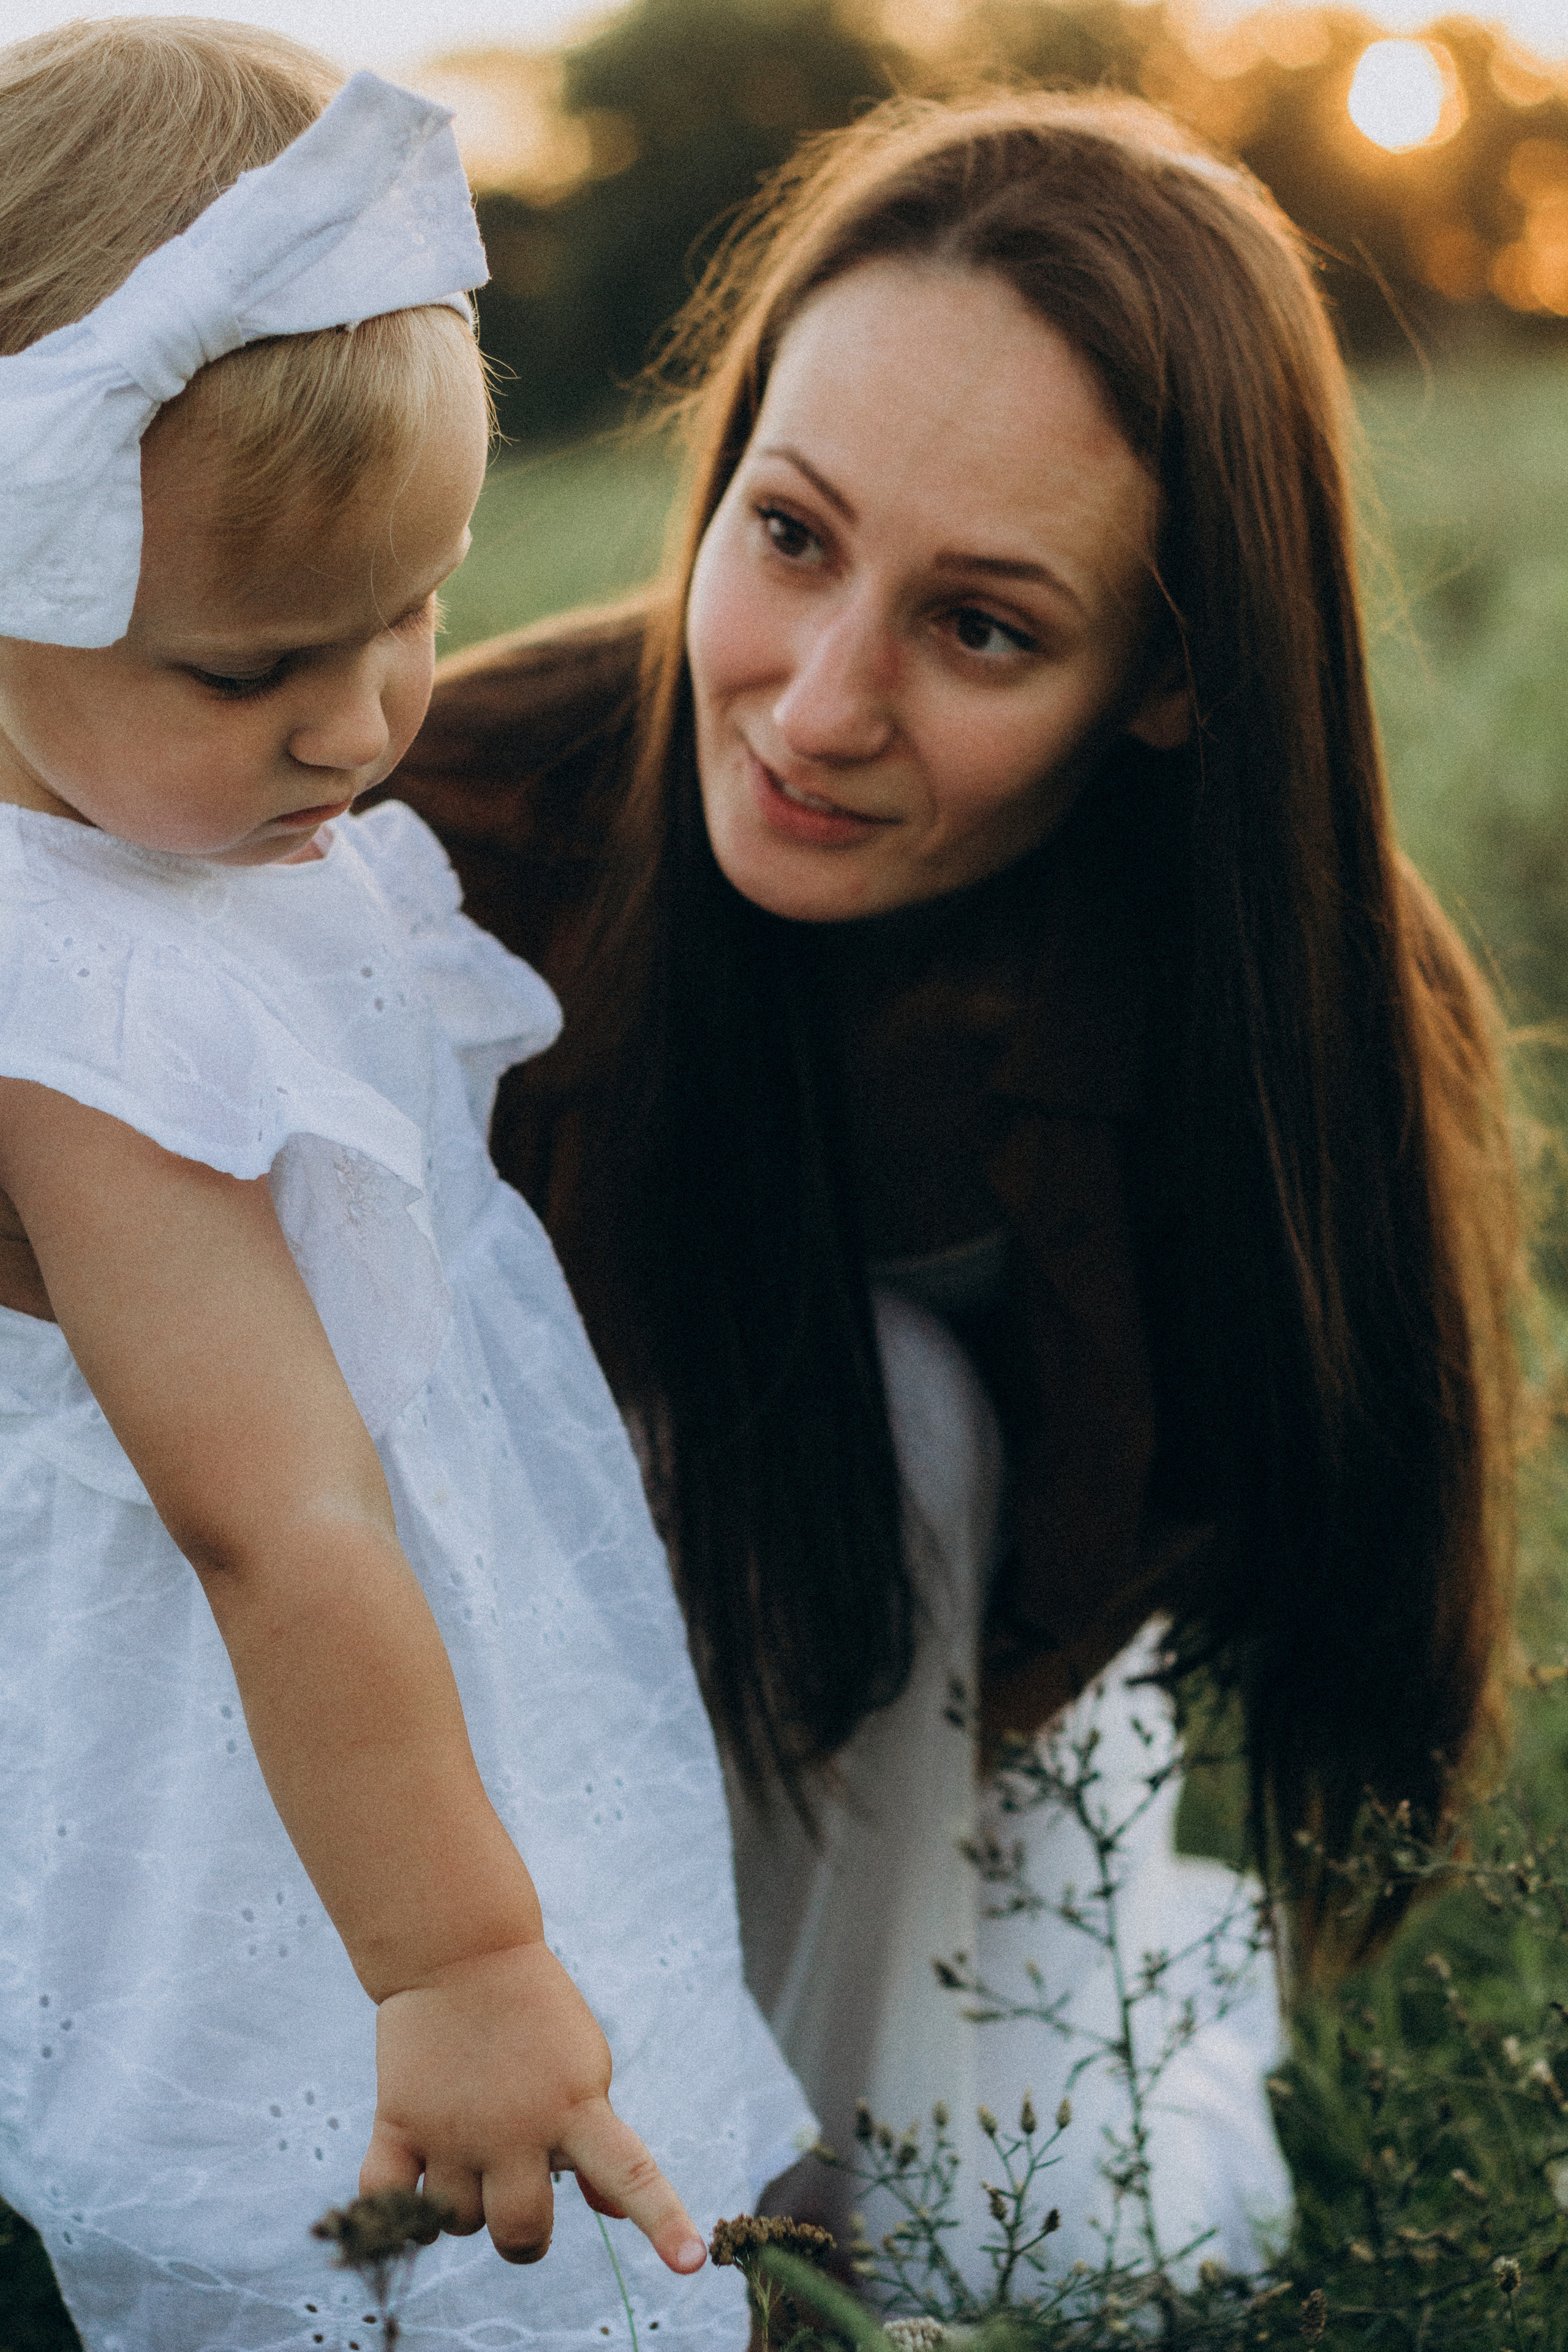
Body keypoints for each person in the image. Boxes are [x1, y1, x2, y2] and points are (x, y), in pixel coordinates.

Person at [394, 89, 1523, 2284]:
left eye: (984, 627)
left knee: (1029, 2236)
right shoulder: (452, 834)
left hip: (946, 1704)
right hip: (452, 1724)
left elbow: (1293, 1573)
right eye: (789, 534)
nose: (819, 707)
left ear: (1172, 677)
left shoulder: (1296, 1009)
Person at [0, 22, 813, 2352]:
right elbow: (274, 1518)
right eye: (255, 663)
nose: (363, 724)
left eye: (413, 611)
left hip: (421, 1678)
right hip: (312, 1798)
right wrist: (454, 1958)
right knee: (388, 2256)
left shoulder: (216, 838)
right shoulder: (76, 998)